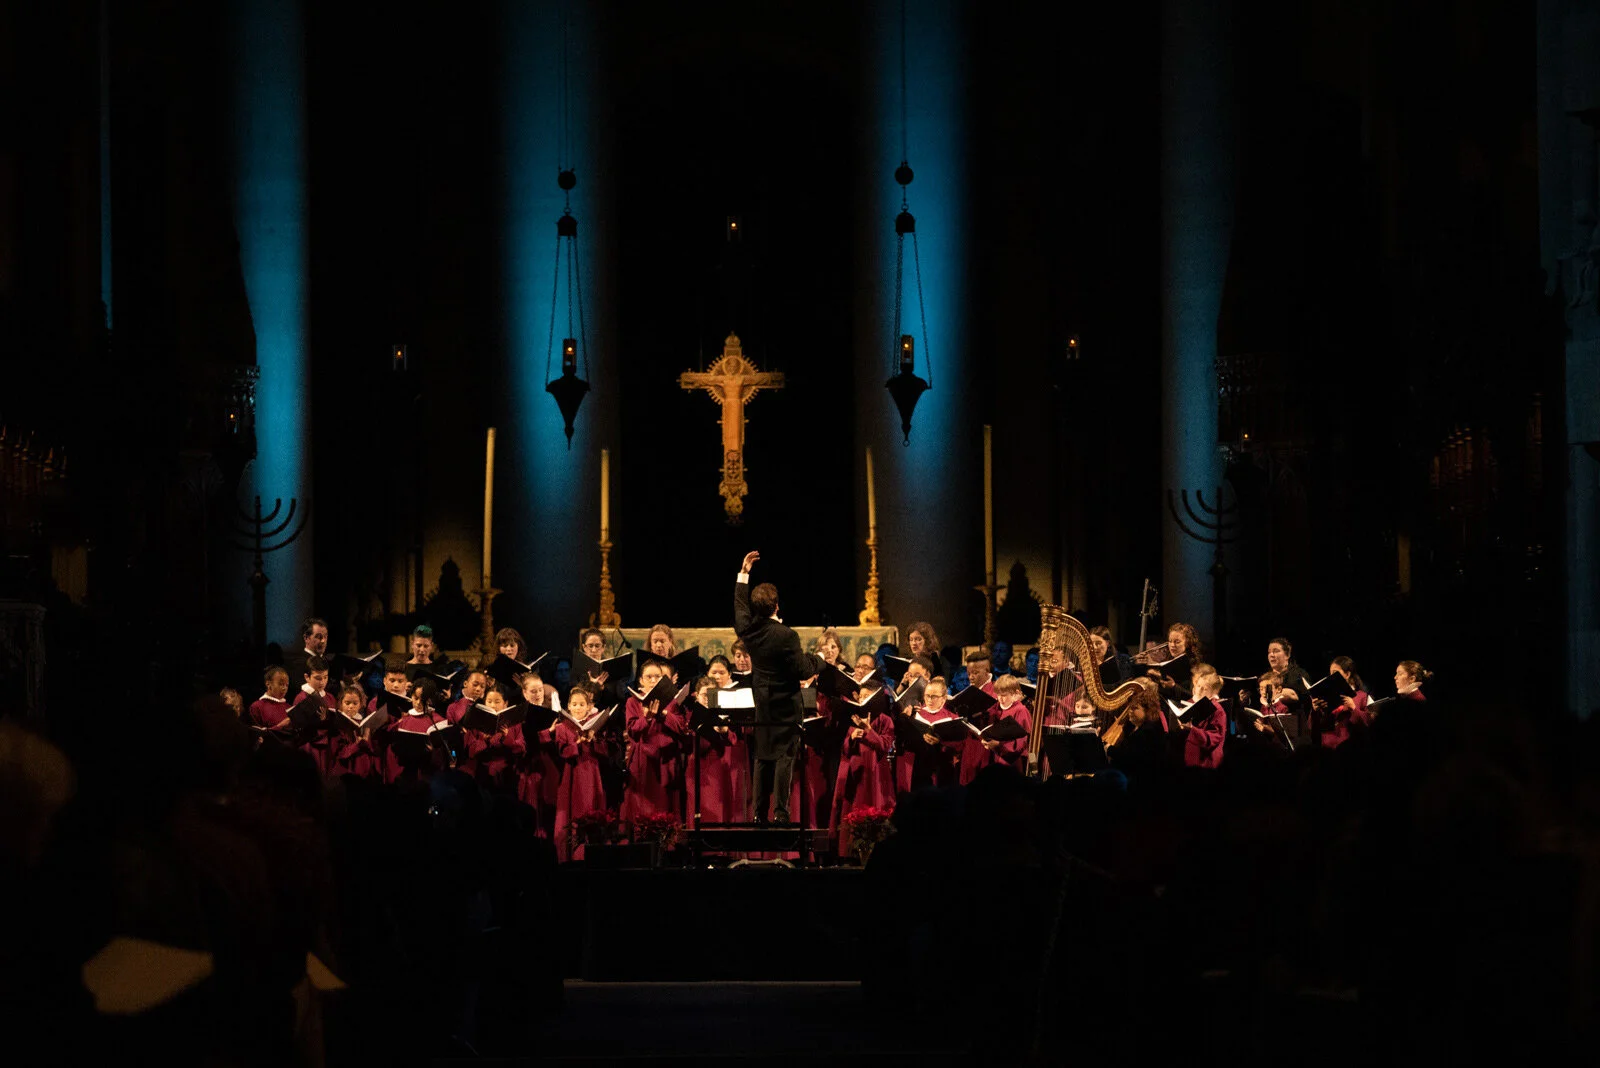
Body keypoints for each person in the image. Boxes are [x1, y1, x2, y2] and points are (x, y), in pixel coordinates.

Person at [734, 550, 830, 825]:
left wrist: (744, 574)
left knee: (763, 754)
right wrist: (820, 659)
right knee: (784, 755)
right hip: (786, 703)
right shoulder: (786, 635)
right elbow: (803, 669)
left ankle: (758, 812)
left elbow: (740, 607)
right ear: (776, 606)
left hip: (762, 700)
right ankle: (781, 813)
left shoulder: (748, 628)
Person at [621, 658, 687, 823]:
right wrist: (647, 718)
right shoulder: (633, 701)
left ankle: (667, 845)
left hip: (666, 760)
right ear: (641, 680)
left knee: (666, 807)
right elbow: (632, 731)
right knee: (643, 808)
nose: (652, 680)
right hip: (643, 761)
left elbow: (681, 726)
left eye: (657, 677)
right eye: (648, 677)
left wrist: (664, 714)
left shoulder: (671, 702)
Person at [552, 683, 610, 861]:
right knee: (572, 813)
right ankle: (571, 856)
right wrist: (576, 744)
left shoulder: (594, 726)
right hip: (572, 774)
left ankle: (591, 854)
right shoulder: (562, 727)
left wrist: (593, 740)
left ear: (589, 707)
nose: (578, 708)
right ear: (568, 706)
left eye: (582, 704)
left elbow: (604, 752)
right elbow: (562, 751)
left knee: (591, 810)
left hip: (592, 773)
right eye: (574, 704)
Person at [963, 674, 1031, 780]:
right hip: (994, 757)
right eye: (998, 695)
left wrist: (999, 744)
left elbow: (1023, 739)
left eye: (1004, 695)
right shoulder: (997, 706)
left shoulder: (1020, 710)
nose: (1000, 699)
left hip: (1011, 761)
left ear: (1015, 694)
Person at [1311, 656, 1371, 749]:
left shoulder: (1361, 696)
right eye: (1330, 673)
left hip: (1350, 748)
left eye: (1335, 673)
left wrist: (1353, 708)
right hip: (1327, 747)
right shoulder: (1327, 695)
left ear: (1347, 674)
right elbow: (1314, 728)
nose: (1331, 677)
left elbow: (1368, 724)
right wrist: (1315, 711)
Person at [331, 683, 384, 780]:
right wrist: (357, 744)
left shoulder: (363, 723)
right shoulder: (337, 724)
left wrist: (365, 740)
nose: (351, 707)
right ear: (340, 703)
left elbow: (372, 750)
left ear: (360, 705)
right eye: (347, 703)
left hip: (363, 766)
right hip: (346, 769)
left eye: (355, 703)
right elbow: (339, 752)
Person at [1180, 663, 1227, 769]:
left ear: (1214, 691)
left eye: (1205, 688)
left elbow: (1214, 738)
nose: (1199, 690)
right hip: (1190, 760)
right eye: (1198, 686)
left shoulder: (1217, 710)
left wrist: (1192, 729)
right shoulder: (1190, 703)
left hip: (1206, 763)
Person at [1266, 637, 1311, 740]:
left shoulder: (1298, 674)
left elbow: (1296, 696)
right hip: (1271, 732)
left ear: (1287, 655)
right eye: (1269, 652)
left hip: (1296, 731)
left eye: (1276, 651)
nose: (1271, 655)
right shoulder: (1267, 677)